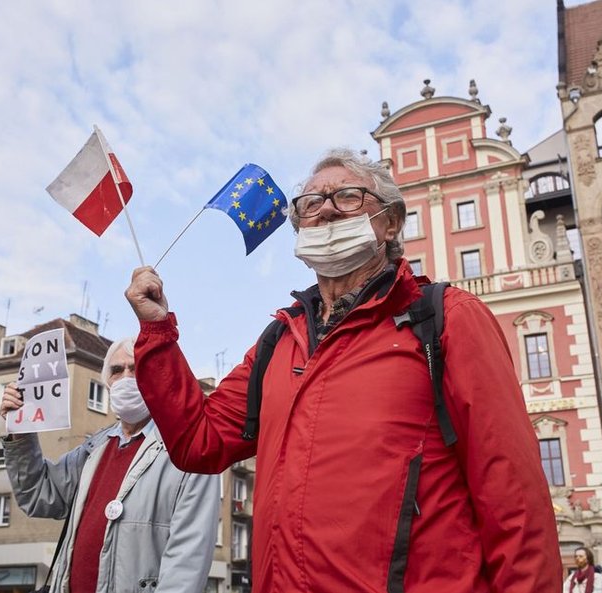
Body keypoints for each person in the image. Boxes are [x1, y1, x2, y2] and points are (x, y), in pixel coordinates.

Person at [126, 148, 562, 592]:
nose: (327, 209)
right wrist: (157, 332)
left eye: (349, 196)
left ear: (390, 223)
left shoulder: (449, 319)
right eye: (311, 204)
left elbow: (516, 506)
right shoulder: (277, 342)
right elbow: (199, 442)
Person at [0, 336, 219, 593]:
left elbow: (186, 563)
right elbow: (38, 494)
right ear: (107, 383)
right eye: (117, 370)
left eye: (136, 369)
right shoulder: (95, 448)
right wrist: (20, 431)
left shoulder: (189, 453)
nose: (126, 377)